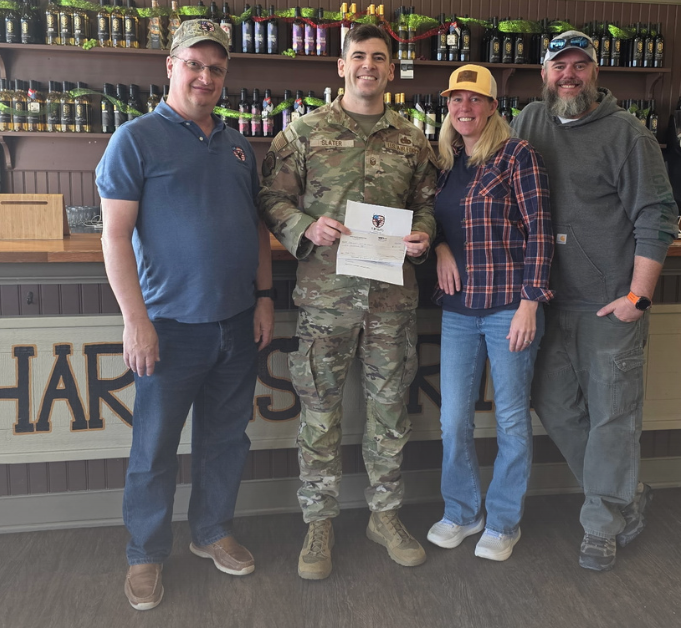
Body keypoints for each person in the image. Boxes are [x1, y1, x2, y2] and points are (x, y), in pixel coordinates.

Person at [96, 19, 275, 610]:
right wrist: (135, 319)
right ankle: (145, 556)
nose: (205, 77)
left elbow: (255, 228)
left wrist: (266, 296)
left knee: (226, 441)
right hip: (168, 327)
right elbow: (115, 237)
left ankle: (212, 531)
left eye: (216, 69)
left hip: (236, 322)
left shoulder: (238, 145)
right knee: (153, 449)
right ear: (169, 67)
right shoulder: (135, 139)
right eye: (194, 64)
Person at [258, 24, 437, 581]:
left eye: (378, 58)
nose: (368, 66)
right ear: (341, 66)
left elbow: (427, 205)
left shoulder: (413, 139)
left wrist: (425, 236)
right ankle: (319, 522)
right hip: (326, 299)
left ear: (391, 70)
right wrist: (307, 227)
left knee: (388, 416)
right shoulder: (304, 133)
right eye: (358, 56)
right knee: (320, 415)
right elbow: (271, 197)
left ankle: (384, 517)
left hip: (390, 303)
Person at [511, 31, 680, 572]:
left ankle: (602, 525)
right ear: (543, 74)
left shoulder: (628, 134)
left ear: (596, 73)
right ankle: (624, 494)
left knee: (613, 417)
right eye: (560, 65)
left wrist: (639, 296)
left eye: (581, 65)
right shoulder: (528, 123)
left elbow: (657, 215)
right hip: (544, 299)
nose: (570, 75)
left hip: (609, 304)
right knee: (553, 404)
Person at [424, 65, 553, 562]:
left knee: (512, 422)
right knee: (453, 420)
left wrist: (529, 304)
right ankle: (462, 511)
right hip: (458, 310)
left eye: (474, 100)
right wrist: (438, 247)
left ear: (493, 106)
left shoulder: (518, 155)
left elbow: (541, 231)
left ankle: (502, 521)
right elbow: (429, 216)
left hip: (507, 308)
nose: (464, 108)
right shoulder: (445, 160)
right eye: (456, 99)